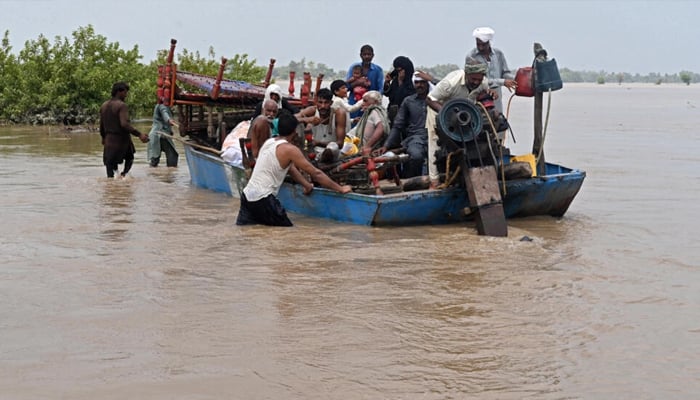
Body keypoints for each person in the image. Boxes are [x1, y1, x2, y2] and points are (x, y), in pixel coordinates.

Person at [236, 113, 352, 226]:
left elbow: (290, 169)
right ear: (295, 132)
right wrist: (340, 189)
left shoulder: (269, 142)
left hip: (247, 197)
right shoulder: (290, 149)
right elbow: (316, 173)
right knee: (288, 237)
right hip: (264, 199)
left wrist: (306, 185)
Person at [425, 60, 498, 188]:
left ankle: (468, 175)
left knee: (470, 141)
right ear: (466, 74)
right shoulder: (451, 83)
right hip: (439, 113)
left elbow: (484, 92)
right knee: (436, 144)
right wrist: (446, 113)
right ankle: (434, 181)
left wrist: (491, 92)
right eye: (473, 79)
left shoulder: (483, 82)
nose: (476, 82)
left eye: (478, 80)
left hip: (465, 116)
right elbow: (430, 99)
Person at [380, 72, 430, 178]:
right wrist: (386, 145)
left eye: (422, 82)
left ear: (428, 84)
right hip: (416, 138)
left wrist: (432, 79)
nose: (419, 85)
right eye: (417, 83)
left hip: (435, 137)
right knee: (416, 156)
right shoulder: (408, 101)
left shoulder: (437, 99)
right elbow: (397, 125)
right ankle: (413, 181)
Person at [99, 81, 149, 178]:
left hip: (109, 141)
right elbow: (124, 124)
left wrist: (103, 137)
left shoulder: (104, 105)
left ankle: (112, 187)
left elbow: (101, 125)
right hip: (121, 140)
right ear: (119, 91)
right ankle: (124, 175)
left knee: (110, 169)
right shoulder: (121, 106)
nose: (126, 95)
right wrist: (139, 134)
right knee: (129, 158)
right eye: (125, 92)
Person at [466, 27, 516, 113]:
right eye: (478, 44)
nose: (480, 47)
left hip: (496, 94)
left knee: (497, 119)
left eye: (483, 45)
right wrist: (503, 82)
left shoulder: (498, 54)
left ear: (489, 42)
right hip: (479, 92)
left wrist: (515, 79)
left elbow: (505, 73)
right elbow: (480, 80)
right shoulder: (471, 56)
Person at [301, 88, 350, 162]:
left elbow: (340, 144)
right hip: (313, 151)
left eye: (326, 103)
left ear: (331, 103)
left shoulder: (339, 114)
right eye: (320, 102)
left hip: (332, 152)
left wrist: (318, 143)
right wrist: (307, 120)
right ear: (316, 102)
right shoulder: (312, 110)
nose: (323, 106)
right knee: (297, 124)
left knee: (331, 148)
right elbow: (291, 118)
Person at [345, 44, 384, 120]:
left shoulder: (378, 70)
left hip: (371, 105)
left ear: (373, 56)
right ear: (361, 55)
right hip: (354, 103)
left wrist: (374, 101)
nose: (367, 57)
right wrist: (358, 83)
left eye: (369, 54)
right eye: (364, 54)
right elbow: (346, 87)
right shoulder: (354, 68)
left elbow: (380, 90)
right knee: (353, 124)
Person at [350, 90, 390, 155]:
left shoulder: (375, 111)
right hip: (355, 145)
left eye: (365, 101)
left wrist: (367, 146)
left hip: (363, 149)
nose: (362, 103)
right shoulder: (369, 112)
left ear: (375, 102)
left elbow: (381, 128)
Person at [383, 56, 416, 125]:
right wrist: (387, 82)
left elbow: (405, 97)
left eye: (400, 70)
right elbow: (389, 94)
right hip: (393, 113)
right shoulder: (396, 80)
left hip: (407, 115)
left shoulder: (413, 81)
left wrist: (401, 83)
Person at [147, 97, 178, 167]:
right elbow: (165, 113)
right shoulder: (162, 106)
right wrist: (169, 120)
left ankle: (153, 175)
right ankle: (170, 174)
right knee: (173, 156)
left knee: (154, 161)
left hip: (155, 135)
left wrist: (170, 130)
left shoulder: (159, 105)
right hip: (161, 135)